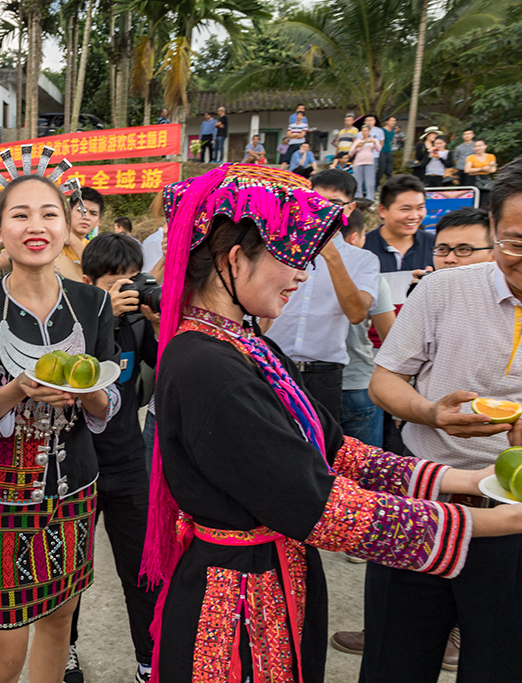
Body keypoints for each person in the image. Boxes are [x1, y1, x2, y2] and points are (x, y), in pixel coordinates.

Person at [142, 162, 522, 683]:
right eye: (290, 257)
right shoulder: (207, 367)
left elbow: (336, 450)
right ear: (233, 260)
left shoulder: (249, 345)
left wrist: (471, 483)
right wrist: (499, 521)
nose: (303, 273)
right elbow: (323, 505)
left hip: (275, 576)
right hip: (234, 608)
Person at [0, 159, 120, 683]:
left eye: (49, 214)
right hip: (1, 494)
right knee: (3, 654)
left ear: (68, 226)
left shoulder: (93, 304)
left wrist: (88, 395)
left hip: (74, 489)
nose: (36, 226)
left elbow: (109, 395)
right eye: (20, 215)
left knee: (61, 619)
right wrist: (16, 389)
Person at [356, 157, 522, 682]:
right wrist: (431, 412)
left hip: (515, 518)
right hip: (422, 502)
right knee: (393, 662)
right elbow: (383, 382)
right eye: (515, 242)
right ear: (493, 229)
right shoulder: (443, 291)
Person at [66, 232, 160, 683]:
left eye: (132, 281)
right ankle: (65, 652)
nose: (125, 292)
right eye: (112, 284)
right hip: (76, 466)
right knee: (71, 573)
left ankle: (149, 657)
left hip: (127, 462)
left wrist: (156, 323)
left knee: (142, 569)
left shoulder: (137, 322)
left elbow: (167, 366)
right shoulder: (72, 322)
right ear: (87, 282)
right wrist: (103, 319)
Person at [266, 168, 379, 422]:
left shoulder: (363, 260)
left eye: (334, 204)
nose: (321, 210)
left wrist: (330, 254)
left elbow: (357, 314)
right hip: (273, 365)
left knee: (320, 450)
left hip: (323, 375)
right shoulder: (279, 247)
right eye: (314, 202)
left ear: (349, 209)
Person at [337, 209, 395, 449]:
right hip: (358, 382)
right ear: (354, 237)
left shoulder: (299, 268)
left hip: (300, 382)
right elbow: (391, 338)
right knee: (367, 468)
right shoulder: (371, 275)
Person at [364, 174, 435, 274]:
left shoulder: (435, 246)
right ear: (382, 210)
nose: (414, 216)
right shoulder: (363, 247)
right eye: (405, 209)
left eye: (420, 208)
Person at [55, 186, 103, 282]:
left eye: (93, 213)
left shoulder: (97, 249)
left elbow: (97, 272)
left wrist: (73, 240)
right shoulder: (53, 241)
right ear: (67, 213)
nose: (86, 217)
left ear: (98, 221)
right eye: (81, 210)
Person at [350, 119, 383, 198]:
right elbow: (350, 153)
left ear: (369, 132)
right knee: (358, 181)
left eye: (366, 131)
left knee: (370, 182)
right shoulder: (358, 141)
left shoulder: (373, 140)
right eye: (363, 131)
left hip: (369, 162)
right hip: (358, 162)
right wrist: (357, 146)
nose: (364, 132)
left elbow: (379, 149)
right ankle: (358, 197)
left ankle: (370, 198)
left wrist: (374, 142)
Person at [465, 138, 497, 207]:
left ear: (485, 146)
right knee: (474, 200)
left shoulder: (491, 156)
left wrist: (475, 170)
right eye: (475, 146)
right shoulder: (470, 157)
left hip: (485, 180)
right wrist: (482, 168)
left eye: (480, 146)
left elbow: (493, 169)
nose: (477, 148)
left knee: (486, 200)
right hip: (473, 179)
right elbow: (467, 170)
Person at [376, 116, 398, 185]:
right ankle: (375, 185)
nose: (393, 122)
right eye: (391, 121)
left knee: (389, 170)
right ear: (387, 121)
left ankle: (391, 186)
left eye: (394, 121)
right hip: (381, 151)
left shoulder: (392, 132)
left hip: (389, 151)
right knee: (381, 169)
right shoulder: (381, 130)